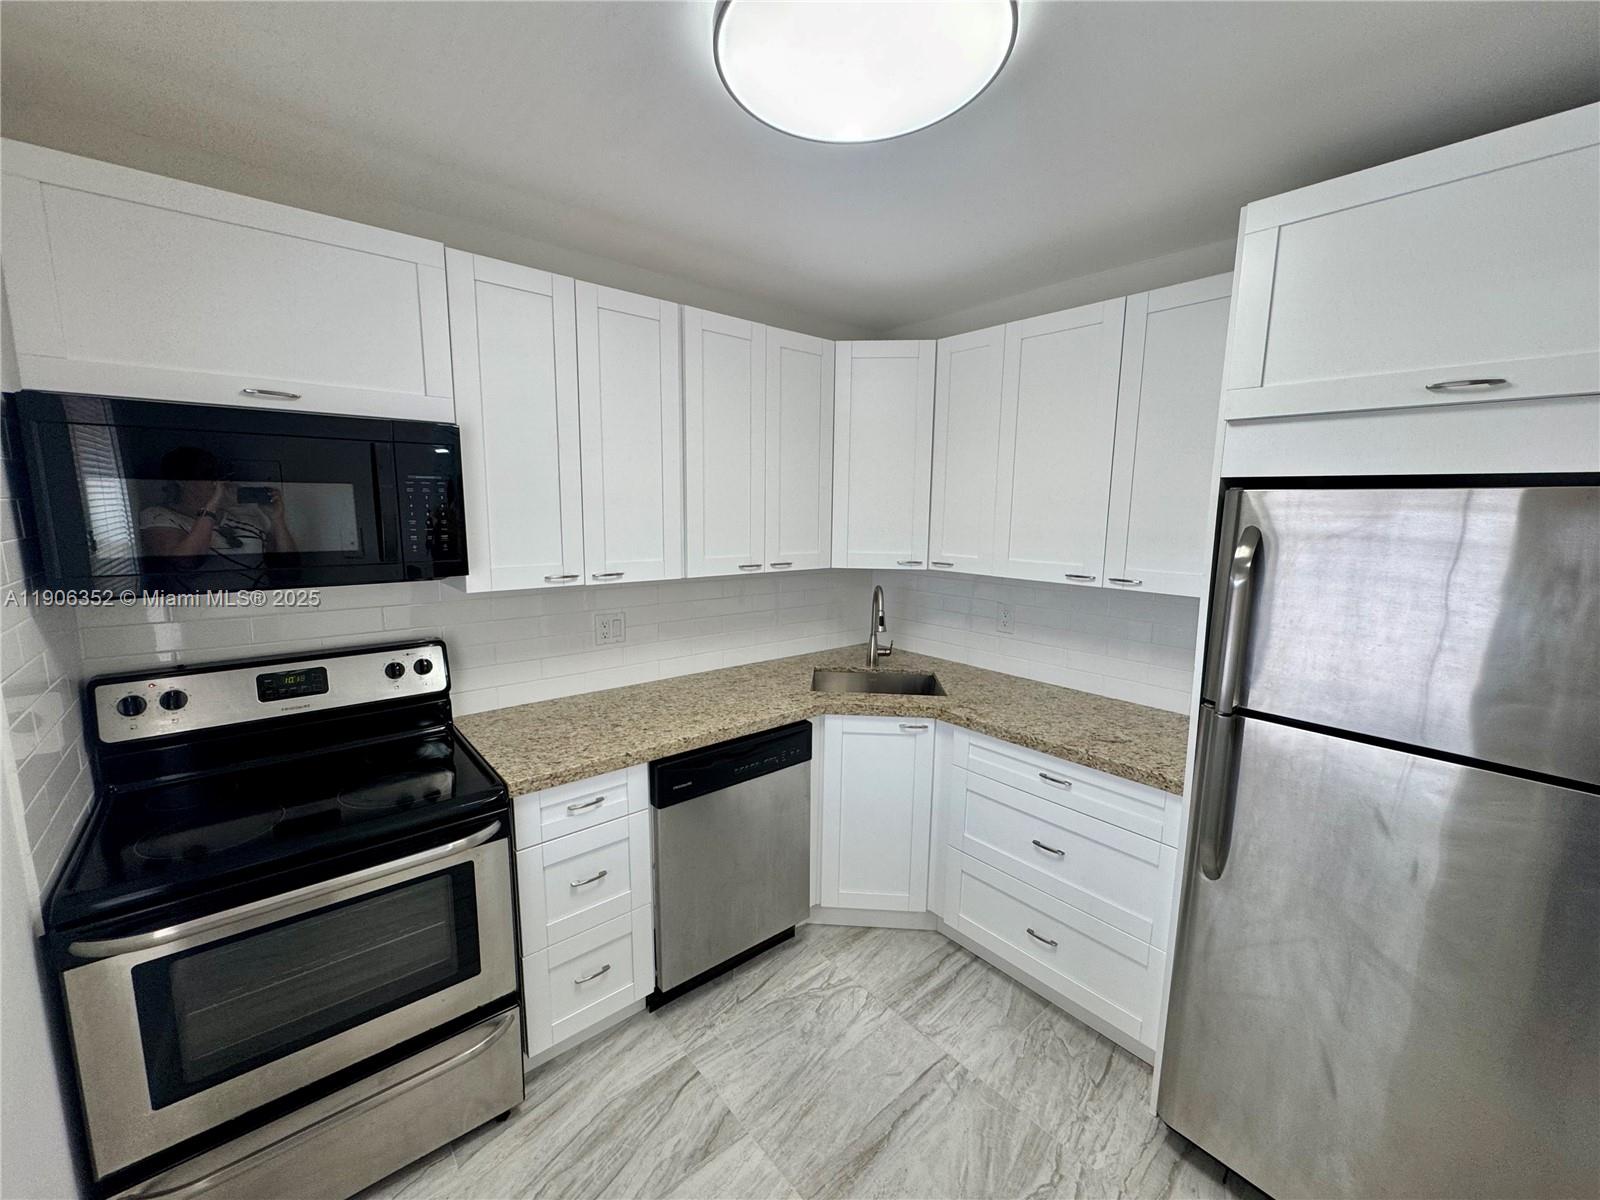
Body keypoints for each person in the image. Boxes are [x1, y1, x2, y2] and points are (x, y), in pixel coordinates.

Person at [139, 447, 297, 567]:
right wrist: (212, 505)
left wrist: (277, 520)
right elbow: (186, 562)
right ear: (182, 481)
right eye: (207, 475)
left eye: (219, 475)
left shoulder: (244, 514)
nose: (217, 481)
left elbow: (288, 570)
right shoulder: (158, 516)